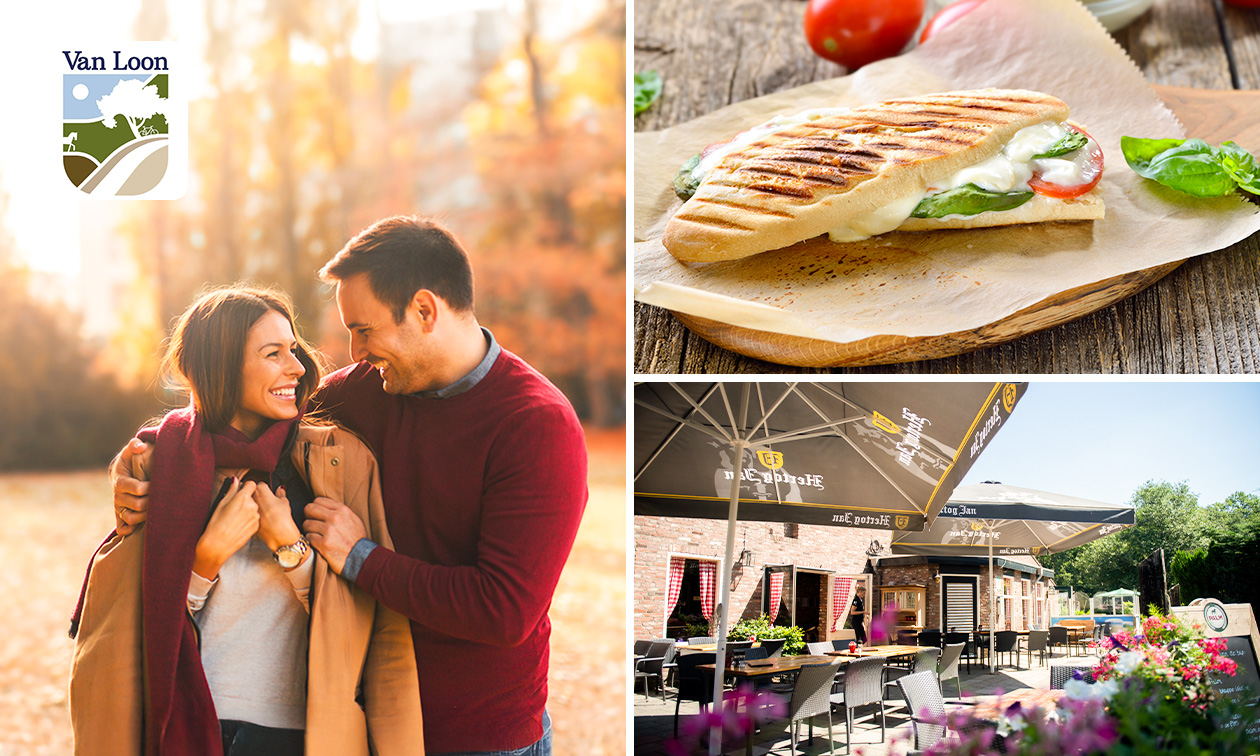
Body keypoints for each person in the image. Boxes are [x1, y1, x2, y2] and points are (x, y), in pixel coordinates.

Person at [111, 217, 589, 756]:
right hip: (368, 721)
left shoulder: (536, 425)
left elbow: (503, 611)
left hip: (479, 736)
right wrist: (145, 457)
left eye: (363, 329)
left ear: (424, 311)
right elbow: (239, 414)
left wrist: (359, 556)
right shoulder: (365, 391)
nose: (355, 351)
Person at [78, 287, 423, 756]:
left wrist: (291, 549)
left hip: (301, 735)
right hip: (189, 725)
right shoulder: (162, 465)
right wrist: (205, 562)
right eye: (273, 353)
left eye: (293, 349)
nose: (297, 367)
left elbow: (372, 624)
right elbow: (138, 630)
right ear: (221, 368)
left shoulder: (339, 462)